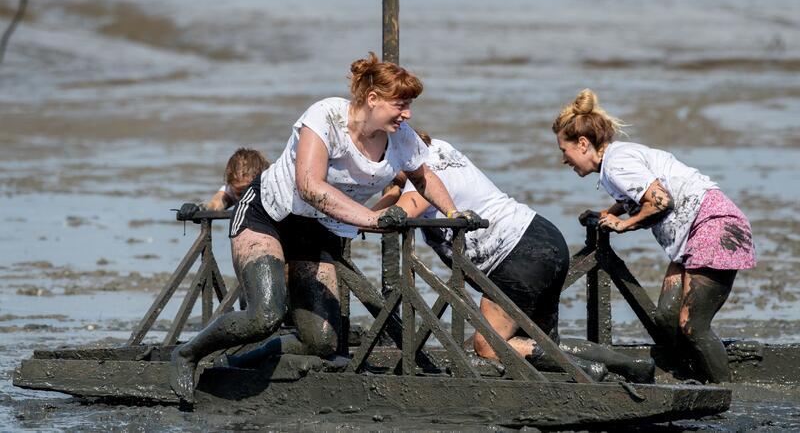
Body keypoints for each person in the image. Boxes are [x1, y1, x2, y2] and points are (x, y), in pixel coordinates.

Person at [169, 52, 478, 402]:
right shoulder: (326, 116)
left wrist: (455, 211)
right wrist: (374, 219)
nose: (407, 114)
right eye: (400, 105)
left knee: (321, 342)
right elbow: (310, 188)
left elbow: (424, 178)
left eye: (409, 106)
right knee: (265, 314)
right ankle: (187, 355)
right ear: (372, 99)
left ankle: (245, 358)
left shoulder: (401, 136)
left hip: (315, 231)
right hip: (267, 216)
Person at [379, 130, 654, 383]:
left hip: (517, 258)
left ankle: (585, 371)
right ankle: (633, 366)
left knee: (487, 345)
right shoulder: (439, 148)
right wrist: (395, 186)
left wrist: (371, 202)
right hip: (544, 235)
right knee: (545, 342)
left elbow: (393, 216)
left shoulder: (424, 182)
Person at [552, 88, 756, 383]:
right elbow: (634, 194)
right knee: (667, 317)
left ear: (582, 144)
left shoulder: (617, 164)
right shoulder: (615, 162)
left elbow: (660, 201)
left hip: (715, 227)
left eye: (564, 151)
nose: (564, 160)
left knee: (692, 325)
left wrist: (624, 225)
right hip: (693, 236)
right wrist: (610, 213)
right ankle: (693, 375)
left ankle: (723, 393)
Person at [177, 147, 269, 219]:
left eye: (248, 191)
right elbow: (215, 203)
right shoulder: (231, 189)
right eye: (239, 194)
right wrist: (199, 209)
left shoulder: (273, 185)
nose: (245, 198)